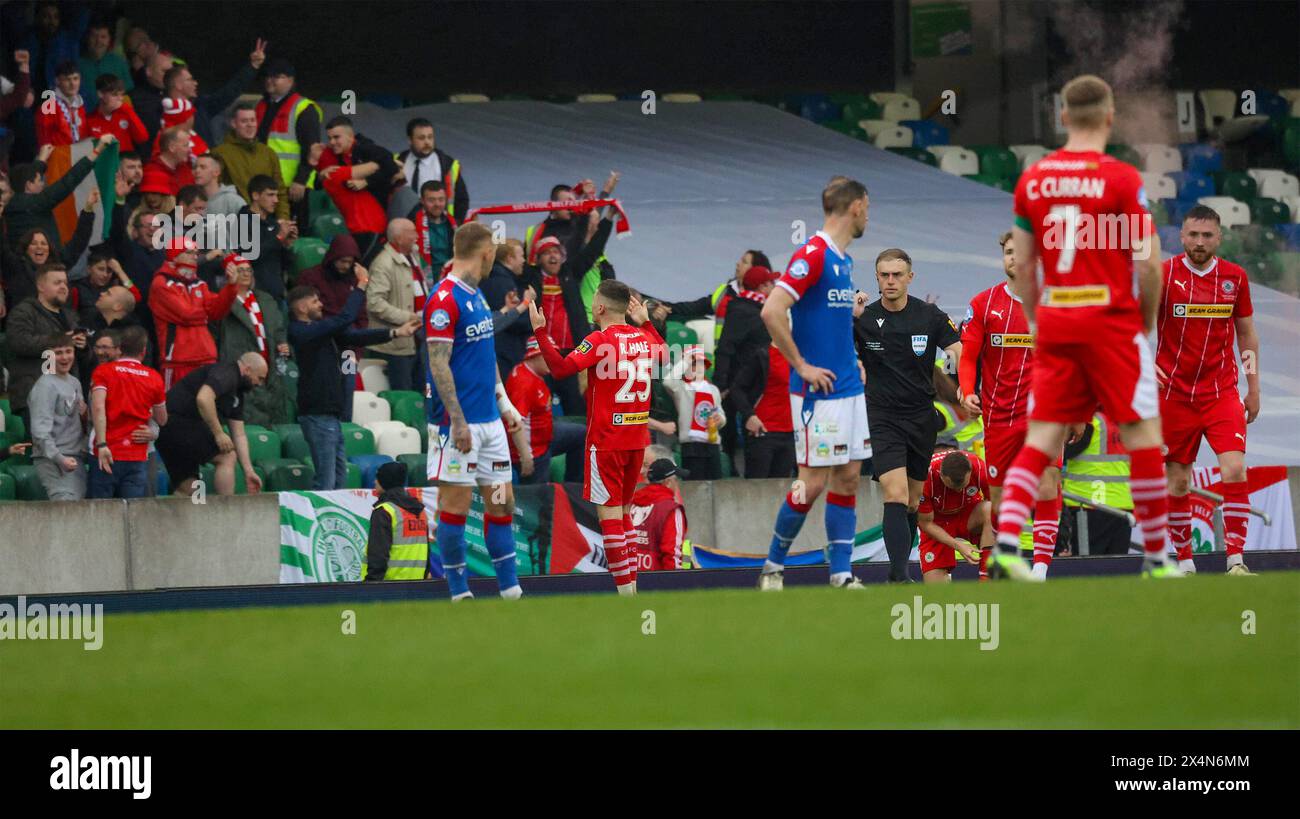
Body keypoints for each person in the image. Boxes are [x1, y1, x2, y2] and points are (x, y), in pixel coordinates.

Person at [996, 74, 1173, 579]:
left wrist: (1036, 318)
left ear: (1064, 117)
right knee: (1142, 435)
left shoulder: (1034, 179)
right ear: (1110, 117)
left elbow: (1025, 264)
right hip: (1110, 320)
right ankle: (1159, 558)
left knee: (1042, 438)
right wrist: (1142, 326)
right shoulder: (1121, 179)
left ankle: (1008, 543)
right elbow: (1148, 263)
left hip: (1058, 319)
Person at [755, 177, 871, 591]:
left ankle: (841, 573)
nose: (867, 216)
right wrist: (801, 366)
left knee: (849, 477)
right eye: (867, 208)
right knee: (813, 482)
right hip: (817, 394)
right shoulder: (814, 254)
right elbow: (772, 311)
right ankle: (773, 566)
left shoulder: (844, 260)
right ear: (855, 207)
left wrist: (852, 358)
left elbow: (830, 322)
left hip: (848, 388)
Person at [530, 278, 666, 595]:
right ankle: (632, 586)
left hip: (606, 442)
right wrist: (647, 324)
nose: (591, 305)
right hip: (637, 441)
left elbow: (561, 369)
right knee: (625, 515)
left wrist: (540, 332)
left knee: (610, 520)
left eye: (593, 299)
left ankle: (625, 593)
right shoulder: (644, 339)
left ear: (601, 307)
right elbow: (662, 356)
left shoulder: (599, 340)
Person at [424, 221, 526, 601]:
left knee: (502, 503)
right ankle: (458, 591)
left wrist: (504, 403)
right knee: (456, 506)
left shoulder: (477, 296)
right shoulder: (444, 298)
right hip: (458, 427)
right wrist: (458, 420)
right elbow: (439, 363)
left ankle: (511, 590)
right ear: (485, 253)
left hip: (490, 423)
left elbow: (485, 355)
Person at [1157, 205, 1261, 576]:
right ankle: (1184, 560)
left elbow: (1246, 333)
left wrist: (1253, 387)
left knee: (1234, 468)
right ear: (1181, 236)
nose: (1199, 242)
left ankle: (1235, 559)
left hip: (1221, 393)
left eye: (1207, 235)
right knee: (1178, 480)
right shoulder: (1164, 275)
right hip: (1174, 396)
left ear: (1219, 237)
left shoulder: (1235, 277)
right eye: (1193, 235)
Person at [958, 230, 1064, 580]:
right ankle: (1012, 562)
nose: (1014, 258)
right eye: (1007, 252)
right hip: (999, 415)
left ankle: (1042, 569)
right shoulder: (983, 304)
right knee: (1002, 502)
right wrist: (965, 389)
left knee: (1048, 483)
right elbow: (969, 356)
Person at [853, 248, 963, 582]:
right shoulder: (865, 318)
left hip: (920, 417)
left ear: (909, 277)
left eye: (897, 275)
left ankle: (900, 568)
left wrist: (960, 375)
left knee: (914, 501)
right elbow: (838, 348)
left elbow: (957, 347)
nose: (890, 281)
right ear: (876, 277)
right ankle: (899, 575)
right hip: (882, 415)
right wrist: (850, 317)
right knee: (896, 493)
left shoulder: (929, 315)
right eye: (884, 275)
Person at [287, 280, 417, 490]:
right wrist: (360, 287)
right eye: (314, 301)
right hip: (317, 414)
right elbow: (346, 318)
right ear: (302, 308)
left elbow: (355, 336)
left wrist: (395, 333)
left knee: (340, 478)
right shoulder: (300, 332)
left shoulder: (320, 331)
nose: (320, 304)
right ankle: (322, 519)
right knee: (326, 480)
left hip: (330, 414)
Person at [519, 194, 621, 415]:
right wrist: (494, 232)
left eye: (556, 252)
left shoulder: (570, 274)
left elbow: (591, 247)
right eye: (547, 253)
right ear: (538, 258)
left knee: (577, 408)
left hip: (570, 355)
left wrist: (609, 218)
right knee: (540, 409)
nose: (553, 256)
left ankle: (579, 448)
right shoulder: (529, 276)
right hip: (541, 356)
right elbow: (508, 259)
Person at [155, 354, 267, 497]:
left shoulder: (238, 393)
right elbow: (204, 398)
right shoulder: (228, 373)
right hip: (177, 422)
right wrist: (219, 433)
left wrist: (249, 471)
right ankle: (226, 510)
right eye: (260, 378)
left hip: (167, 430)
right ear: (248, 369)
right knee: (227, 457)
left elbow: (239, 434)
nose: (259, 384)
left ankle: (180, 518)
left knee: (191, 489)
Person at [5, 263, 92, 433]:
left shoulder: (70, 315)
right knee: (44, 452)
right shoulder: (23, 312)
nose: (63, 287)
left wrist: (82, 348)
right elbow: (18, 343)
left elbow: (81, 359)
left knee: (69, 453)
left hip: (68, 396)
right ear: (40, 286)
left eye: (65, 283)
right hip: (35, 394)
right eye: (57, 282)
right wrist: (60, 341)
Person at [4, 132, 114, 259]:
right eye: (40, 180)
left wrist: (41, 160)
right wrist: (97, 150)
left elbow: (28, 178)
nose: (43, 184)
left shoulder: (11, 206)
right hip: (44, 270)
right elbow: (68, 181)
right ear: (29, 185)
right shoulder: (36, 203)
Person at [149, 239, 239, 389]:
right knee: (175, 408)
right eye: (189, 253)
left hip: (206, 357)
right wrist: (206, 314)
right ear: (174, 256)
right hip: (178, 361)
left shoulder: (198, 283)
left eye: (196, 254)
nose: (195, 257)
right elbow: (186, 314)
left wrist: (231, 288)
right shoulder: (161, 284)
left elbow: (216, 312)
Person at [90, 325, 167, 499]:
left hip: (106, 451)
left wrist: (101, 444)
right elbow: (162, 419)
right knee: (132, 512)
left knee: (101, 513)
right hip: (136, 454)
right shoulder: (154, 377)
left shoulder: (103, 371)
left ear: (119, 348)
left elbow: (98, 407)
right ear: (144, 351)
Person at [218, 255, 290, 428]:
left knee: (271, 411)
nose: (246, 274)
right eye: (240, 270)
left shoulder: (265, 300)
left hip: (269, 365)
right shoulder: (223, 301)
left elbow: (278, 328)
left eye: (248, 269)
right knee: (247, 415)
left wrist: (283, 343)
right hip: (242, 365)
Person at [255, 59, 321, 225]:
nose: (270, 80)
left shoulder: (304, 108)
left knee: (293, 232)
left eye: (277, 76)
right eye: (268, 76)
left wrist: (301, 180)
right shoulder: (262, 105)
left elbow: (312, 149)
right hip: (266, 183)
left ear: (290, 81)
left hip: (293, 186)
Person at [1060, 411, 1134, 556]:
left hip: (1088, 503)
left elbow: (1057, 452)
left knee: (1090, 570)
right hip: (1122, 504)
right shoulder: (1125, 416)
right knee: (1120, 571)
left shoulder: (1086, 415)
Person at [663, 249, 773, 345]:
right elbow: (696, 307)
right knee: (690, 328)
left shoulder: (768, 299)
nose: (738, 264)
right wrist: (665, 307)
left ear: (756, 270)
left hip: (749, 352)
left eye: (744, 262)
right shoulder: (726, 291)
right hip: (723, 350)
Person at [363, 218, 423, 391]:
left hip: (416, 339)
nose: (417, 236)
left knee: (420, 393)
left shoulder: (412, 256)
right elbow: (374, 303)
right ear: (399, 238)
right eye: (412, 232)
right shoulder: (383, 264)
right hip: (394, 347)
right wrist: (408, 317)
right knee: (402, 393)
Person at [917, 449, 992, 583]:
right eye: (952, 487)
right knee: (936, 594)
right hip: (936, 523)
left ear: (970, 472)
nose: (958, 490)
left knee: (990, 510)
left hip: (968, 514)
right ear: (941, 475)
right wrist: (958, 545)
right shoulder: (924, 477)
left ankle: (986, 577)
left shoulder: (979, 467)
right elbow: (925, 524)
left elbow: (996, 506)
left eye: (963, 486)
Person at [28, 332, 88, 501]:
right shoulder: (45, 386)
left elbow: (79, 422)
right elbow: (40, 432)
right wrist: (59, 458)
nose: (64, 357)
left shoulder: (75, 382)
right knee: (64, 506)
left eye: (68, 351)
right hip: (54, 460)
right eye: (58, 352)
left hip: (75, 458)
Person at [728, 336, 796, 479]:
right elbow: (737, 388)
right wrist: (749, 415)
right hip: (763, 431)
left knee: (781, 488)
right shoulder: (762, 354)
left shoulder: (800, 356)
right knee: (756, 487)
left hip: (791, 433)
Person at [213, 101, 288, 220]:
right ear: (233, 123)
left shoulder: (268, 153)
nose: (250, 125)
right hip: (235, 221)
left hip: (267, 222)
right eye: (244, 121)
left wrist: (282, 219)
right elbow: (216, 192)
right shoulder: (220, 154)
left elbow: (280, 191)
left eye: (253, 120)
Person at [663, 345, 726, 480]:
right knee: (694, 482)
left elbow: (720, 412)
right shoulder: (681, 388)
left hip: (712, 442)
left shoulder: (712, 389)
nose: (698, 368)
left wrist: (720, 419)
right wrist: (685, 361)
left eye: (701, 364)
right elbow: (668, 381)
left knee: (716, 481)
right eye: (693, 365)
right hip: (691, 444)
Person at [364, 461, 431, 581]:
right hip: (418, 586)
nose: (374, 482)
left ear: (385, 481)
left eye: (377, 479)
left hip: (388, 588)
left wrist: (371, 585)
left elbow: (378, 554)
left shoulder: (384, 511)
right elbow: (426, 553)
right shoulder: (421, 511)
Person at [396, 117, 469, 222]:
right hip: (405, 227)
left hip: (438, 225)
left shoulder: (448, 165)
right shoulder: (397, 162)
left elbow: (462, 200)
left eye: (430, 137)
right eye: (421, 138)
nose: (427, 142)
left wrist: (455, 224)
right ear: (410, 140)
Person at [239, 173, 296, 300]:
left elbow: (286, 265)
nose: (276, 200)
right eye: (270, 195)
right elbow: (248, 256)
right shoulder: (242, 222)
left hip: (277, 294)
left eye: (276, 195)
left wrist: (286, 245)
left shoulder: (274, 224)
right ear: (255, 196)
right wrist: (279, 238)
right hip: (254, 296)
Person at [628, 457, 689, 572]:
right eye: (676, 480)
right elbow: (671, 553)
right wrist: (674, 583)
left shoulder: (630, 504)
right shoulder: (671, 509)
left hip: (627, 579)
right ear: (668, 482)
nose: (677, 484)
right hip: (656, 582)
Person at [505, 338, 549, 484]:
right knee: (542, 499)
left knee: (580, 435)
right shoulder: (523, 384)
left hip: (545, 434)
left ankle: (572, 493)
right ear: (536, 355)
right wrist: (525, 456)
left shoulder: (535, 372)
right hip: (533, 448)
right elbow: (515, 422)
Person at [84, 74, 148, 152]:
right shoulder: (89, 120)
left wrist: (128, 110)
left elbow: (142, 138)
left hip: (125, 162)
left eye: (121, 95)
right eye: (114, 95)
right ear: (100, 94)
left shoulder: (126, 113)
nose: (120, 99)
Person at [77, 20, 133, 108]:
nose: (98, 41)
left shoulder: (119, 62)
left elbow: (128, 92)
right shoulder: (77, 65)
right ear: (87, 38)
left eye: (103, 37)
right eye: (94, 36)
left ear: (109, 40)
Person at [408, 181, 455, 275]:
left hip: (450, 276)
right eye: (431, 200)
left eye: (441, 199)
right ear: (422, 201)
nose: (437, 204)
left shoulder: (453, 224)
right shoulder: (411, 224)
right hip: (422, 278)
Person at [34, 61, 85, 147]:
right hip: (58, 158)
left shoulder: (79, 105)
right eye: (67, 79)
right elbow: (45, 144)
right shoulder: (48, 108)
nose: (72, 84)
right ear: (57, 81)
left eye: (75, 79)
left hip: (78, 156)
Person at [193, 153, 245, 218]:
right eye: (195, 167)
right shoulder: (192, 199)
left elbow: (248, 226)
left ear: (216, 172)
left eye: (203, 167)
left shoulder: (233, 201)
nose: (197, 171)